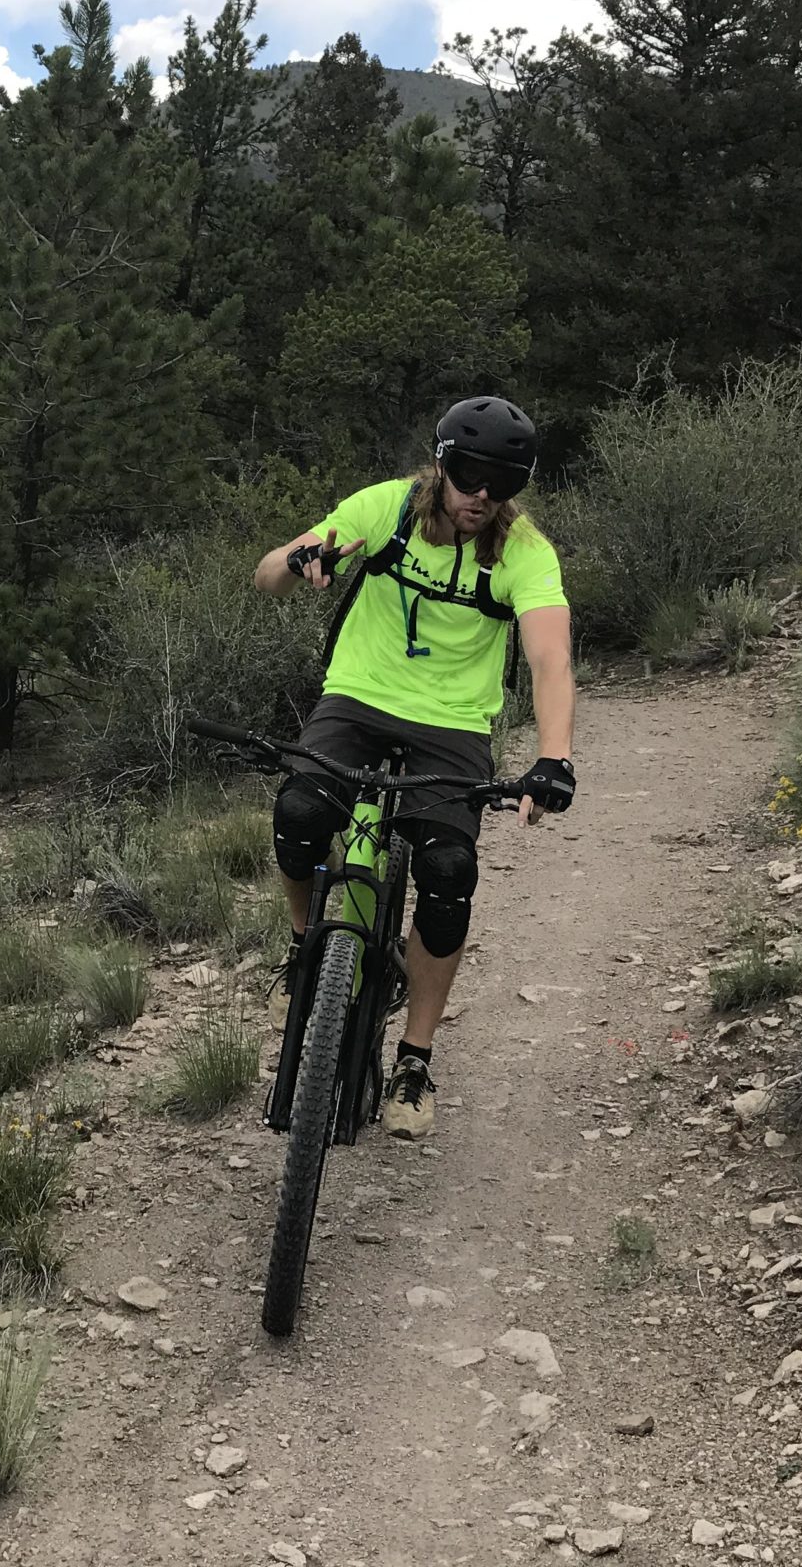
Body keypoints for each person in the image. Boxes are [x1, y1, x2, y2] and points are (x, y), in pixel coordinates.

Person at [251, 395, 577, 1140]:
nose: (482, 495)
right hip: (358, 696)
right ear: (441, 465)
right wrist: (300, 559)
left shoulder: (525, 552)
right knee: (300, 814)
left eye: (504, 481)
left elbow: (551, 655)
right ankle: (304, 947)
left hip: (453, 723)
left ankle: (415, 1058)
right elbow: (268, 572)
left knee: (450, 874)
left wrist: (554, 755)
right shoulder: (385, 508)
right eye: (468, 474)